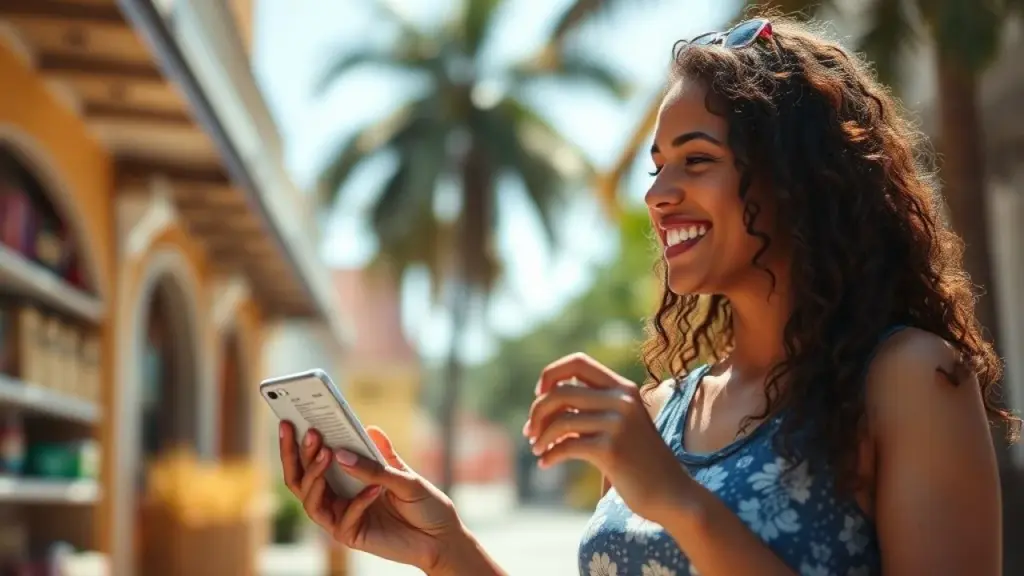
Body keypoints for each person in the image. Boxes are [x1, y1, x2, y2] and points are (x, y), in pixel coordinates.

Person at [279, 15, 1018, 576]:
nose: (660, 195)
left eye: (697, 160)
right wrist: (446, 551)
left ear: (802, 179)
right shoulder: (664, 408)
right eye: (657, 166)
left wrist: (676, 499)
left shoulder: (908, 380)